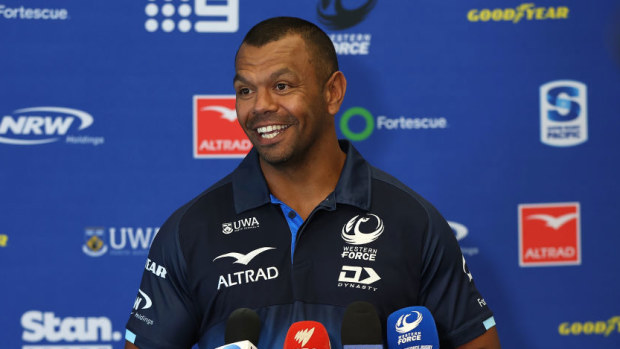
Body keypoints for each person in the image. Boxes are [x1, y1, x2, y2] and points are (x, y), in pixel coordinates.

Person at [124, 16, 501, 349]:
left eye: (283, 86)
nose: (259, 106)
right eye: (245, 90)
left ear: (332, 92)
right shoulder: (190, 229)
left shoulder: (413, 221)